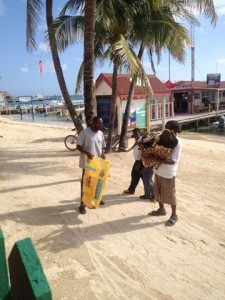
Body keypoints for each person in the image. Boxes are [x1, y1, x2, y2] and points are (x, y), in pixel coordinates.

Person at [148, 120, 182, 226]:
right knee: (157, 191)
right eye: (165, 128)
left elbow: (172, 161)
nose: (165, 130)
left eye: (167, 128)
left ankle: (174, 215)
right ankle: (161, 209)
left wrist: (156, 159)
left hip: (168, 173)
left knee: (170, 194)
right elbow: (154, 148)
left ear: (174, 130)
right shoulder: (161, 139)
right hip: (158, 170)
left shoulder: (177, 143)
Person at [77, 116, 106, 214]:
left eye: (101, 123)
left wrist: (102, 153)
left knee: (97, 183)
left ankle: (97, 199)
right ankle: (82, 204)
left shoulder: (101, 133)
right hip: (87, 164)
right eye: (99, 123)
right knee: (86, 184)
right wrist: (87, 153)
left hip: (97, 164)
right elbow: (78, 146)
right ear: (92, 123)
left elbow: (102, 146)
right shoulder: (84, 133)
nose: (101, 125)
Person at [124, 128, 144, 195]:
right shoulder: (137, 140)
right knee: (135, 175)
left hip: (141, 162)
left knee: (144, 177)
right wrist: (127, 150)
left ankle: (152, 193)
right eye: (134, 133)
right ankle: (131, 190)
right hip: (137, 161)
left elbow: (143, 152)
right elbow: (133, 146)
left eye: (136, 133)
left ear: (140, 133)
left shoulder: (142, 141)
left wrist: (139, 162)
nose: (135, 135)